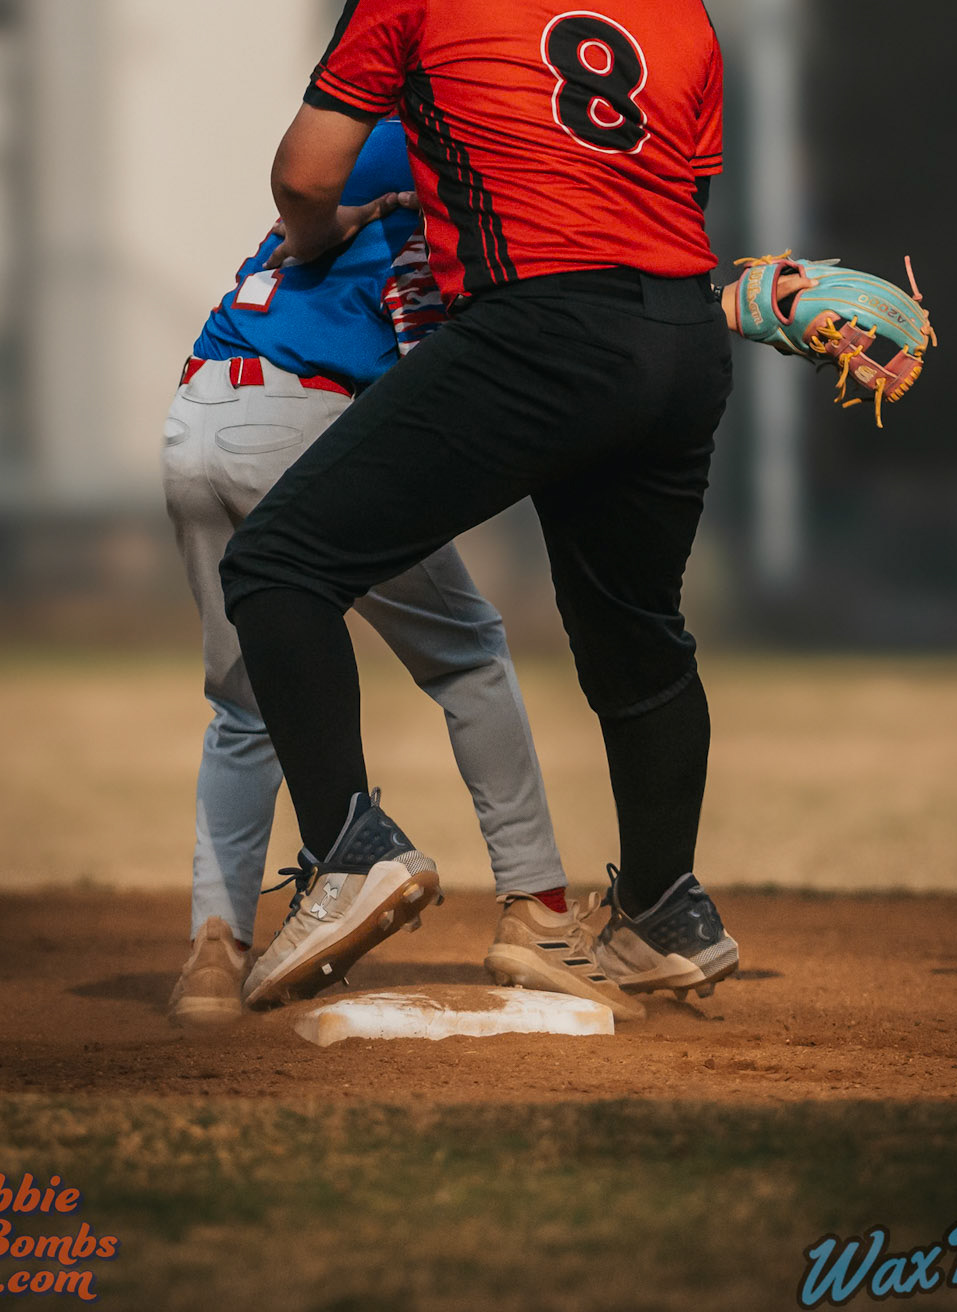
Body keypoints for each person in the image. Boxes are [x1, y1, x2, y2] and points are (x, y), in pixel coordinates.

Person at [221, 0, 741, 1011]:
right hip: (682, 341)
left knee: (281, 563)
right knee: (638, 637)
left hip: (541, 329)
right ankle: (668, 913)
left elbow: (306, 169)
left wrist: (322, 235)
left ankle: (350, 854)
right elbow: (672, 203)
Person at [163, 115, 640, 1025]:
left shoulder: (369, 160)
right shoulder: (453, 172)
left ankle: (212, 961)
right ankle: (534, 912)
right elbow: (436, 360)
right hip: (300, 420)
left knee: (247, 701)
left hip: (197, 413)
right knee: (467, 652)